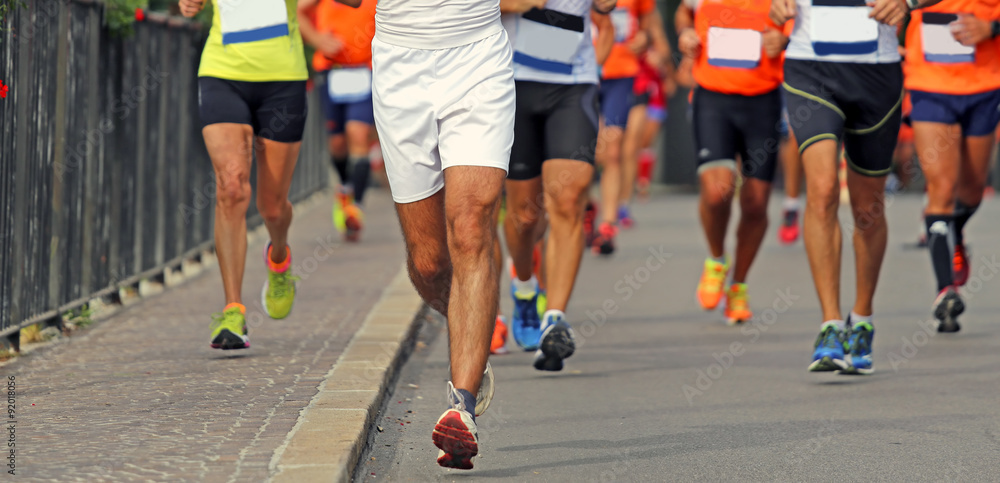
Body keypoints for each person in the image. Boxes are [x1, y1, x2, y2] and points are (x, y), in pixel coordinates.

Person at [369, 0, 515, 469]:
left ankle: (463, 405)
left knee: (471, 227)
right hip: (399, 57)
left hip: (477, 52)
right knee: (429, 263)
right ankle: (469, 329)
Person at [771, 0, 944, 375]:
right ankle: (830, 326)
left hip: (876, 75)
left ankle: (861, 319)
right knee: (822, 189)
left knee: (867, 208)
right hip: (810, 68)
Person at [180, 0, 312, 350]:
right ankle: (233, 309)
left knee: (271, 207)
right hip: (223, 70)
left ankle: (279, 258)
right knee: (231, 186)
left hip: (282, 79)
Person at [500, 0, 616, 369]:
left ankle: (554, 319)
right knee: (524, 217)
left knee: (568, 200)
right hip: (513, 79)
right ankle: (523, 287)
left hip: (573, 82)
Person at [677, 0, 790, 325]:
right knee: (717, 192)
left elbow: (802, 27)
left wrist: (783, 41)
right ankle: (716, 260)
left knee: (755, 204)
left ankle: (738, 284)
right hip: (713, 97)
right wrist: (685, 32)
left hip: (763, 100)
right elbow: (685, 11)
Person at [904, 0, 1000, 332]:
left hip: (985, 84)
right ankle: (946, 290)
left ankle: (954, 233)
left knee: (972, 190)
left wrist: (992, 27)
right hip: (930, 84)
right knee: (941, 189)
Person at [297, 0, 376, 242]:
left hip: (365, 69)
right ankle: (344, 189)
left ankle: (356, 207)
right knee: (338, 144)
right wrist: (317, 39)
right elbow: (298, 10)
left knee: (359, 134)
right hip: (331, 71)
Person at [592, 0, 660, 254]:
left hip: (622, 74)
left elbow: (649, 25)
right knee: (586, 150)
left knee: (613, 150)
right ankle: (587, 205)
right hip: (582, 71)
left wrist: (645, 38)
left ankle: (608, 225)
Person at [619, 9, 674, 226]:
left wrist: (659, 58)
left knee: (634, 145)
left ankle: (624, 203)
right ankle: (591, 203)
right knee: (608, 151)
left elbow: (663, 50)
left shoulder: (646, 14)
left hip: (643, 88)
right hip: (607, 83)